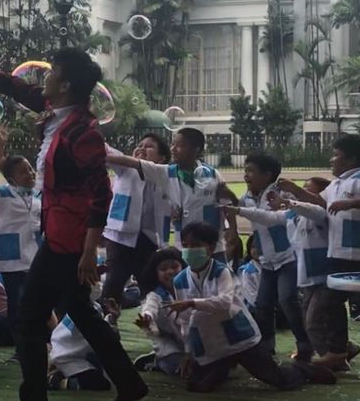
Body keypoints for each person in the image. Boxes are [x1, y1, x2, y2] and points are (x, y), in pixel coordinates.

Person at [0, 47, 147, 401]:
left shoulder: (83, 133)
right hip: (57, 232)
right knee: (81, 312)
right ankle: (129, 383)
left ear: (66, 83)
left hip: (67, 240)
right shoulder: (53, 112)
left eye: (52, 71)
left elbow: (100, 193)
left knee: (27, 321)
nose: (45, 77)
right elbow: (9, 84)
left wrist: (89, 251)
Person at [164, 222, 336, 393]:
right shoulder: (180, 280)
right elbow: (185, 320)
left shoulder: (222, 272)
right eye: (185, 245)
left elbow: (224, 303)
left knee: (279, 380)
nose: (188, 250)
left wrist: (192, 303)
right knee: (196, 386)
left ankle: (303, 370)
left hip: (239, 338)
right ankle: (224, 367)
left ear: (210, 248)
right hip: (212, 344)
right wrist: (188, 352)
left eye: (195, 245)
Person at [275, 135, 360, 370]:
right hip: (337, 256)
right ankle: (338, 351)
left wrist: (350, 203)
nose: (332, 160)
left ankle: (338, 351)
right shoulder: (336, 184)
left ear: (351, 158)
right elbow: (317, 202)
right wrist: (293, 190)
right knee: (330, 306)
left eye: (336, 154)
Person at [101, 127, 237, 260]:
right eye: (173, 144)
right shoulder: (166, 173)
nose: (173, 149)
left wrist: (233, 229)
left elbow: (228, 205)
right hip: (184, 246)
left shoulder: (213, 175)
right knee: (186, 281)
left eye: (180, 145)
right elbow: (134, 163)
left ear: (196, 150)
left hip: (213, 246)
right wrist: (103, 155)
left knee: (218, 279)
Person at [231, 152, 312, 361]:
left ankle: (305, 345)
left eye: (251, 171)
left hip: (288, 257)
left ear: (267, 175)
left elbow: (291, 217)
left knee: (288, 300)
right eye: (245, 170)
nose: (246, 176)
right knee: (263, 305)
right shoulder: (246, 198)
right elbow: (237, 213)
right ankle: (266, 348)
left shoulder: (282, 195)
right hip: (267, 261)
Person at [0, 125, 41, 349]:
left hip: (34, 255)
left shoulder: (38, 194)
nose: (30, 174)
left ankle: (34, 340)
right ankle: (20, 345)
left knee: (33, 302)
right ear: (12, 178)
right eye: (23, 172)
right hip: (12, 259)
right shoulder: (2, 194)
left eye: (31, 169)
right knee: (17, 303)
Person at [102, 133, 172, 310]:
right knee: (114, 280)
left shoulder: (164, 175)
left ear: (162, 158)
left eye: (149, 146)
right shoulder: (125, 168)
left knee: (149, 282)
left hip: (148, 237)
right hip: (120, 235)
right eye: (140, 144)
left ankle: (157, 316)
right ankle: (108, 315)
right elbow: (105, 149)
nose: (141, 148)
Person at [47, 283, 112, 392]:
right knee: (100, 384)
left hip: (70, 352)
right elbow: (99, 338)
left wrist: (113, 318)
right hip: (68, 356)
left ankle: (61, 374)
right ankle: (56, 381)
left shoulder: (90, 306)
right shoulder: (84, 309)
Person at [132, 248, 187, 376]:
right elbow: (149, 308)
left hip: (193, 339)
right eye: (163, 269)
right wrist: (147, 317)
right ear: (155, 274)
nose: (170, 272)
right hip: (169, 342)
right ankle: (156, 361)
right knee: (176, 367)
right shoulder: (155, 295)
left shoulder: (190, 288)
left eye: (174, 266)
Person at [237, 234, 262, 313]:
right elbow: (251, 297)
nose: (256, 250)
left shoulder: (271, 267)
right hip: (254, 310)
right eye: (253, 247)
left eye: (259, 246)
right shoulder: (247, 270)